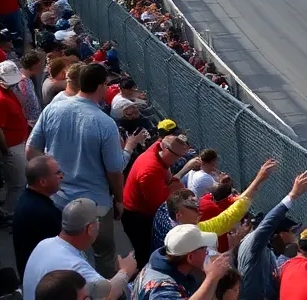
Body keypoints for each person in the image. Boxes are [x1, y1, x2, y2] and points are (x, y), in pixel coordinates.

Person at [28, 62, 148, 278]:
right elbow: (115, 169)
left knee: (67, 256)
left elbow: (32, 150)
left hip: (58, 201)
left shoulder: (53, 108)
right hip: (97, 205)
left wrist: (53, 179)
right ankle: (106, 293)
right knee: (105, 254)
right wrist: (119, 200)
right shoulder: (105, 123)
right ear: (101, 86)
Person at [21, 197, 138, 300]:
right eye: (97, 220)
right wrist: (126, 271)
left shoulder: (44, 244)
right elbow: (107, 296)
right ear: (90, 229)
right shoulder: (75, 267)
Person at [235, 170, 307, 300]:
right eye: (291, 231)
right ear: (280, 234)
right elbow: (269, 222)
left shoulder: (267, 250)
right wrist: (292, 195)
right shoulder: (253, 244)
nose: (293, 235)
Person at [122, 132, 192, 265]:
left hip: (138, 209)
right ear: (166, 149)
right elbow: (158, 204)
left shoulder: (156, 148)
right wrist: (175, 182)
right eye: (177, 157)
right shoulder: (150, 171)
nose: (179, 160)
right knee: (145, 255)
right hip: (138, 217)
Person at [132, 224, 232, 300]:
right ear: (190, 257)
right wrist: (212, 278)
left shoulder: (169, 265)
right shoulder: (161, 288)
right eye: (204, 248)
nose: (207, 251)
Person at [12, 154, 65, 279]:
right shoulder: (43, 213)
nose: (61, 176)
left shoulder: (28, 199)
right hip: (44, 279)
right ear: (43, 182)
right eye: (57, 173)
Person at [0, 59, 30, 212]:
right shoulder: (0, 99)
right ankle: (9, 213)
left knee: (16, 183)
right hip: (12, 147)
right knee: (18, 184)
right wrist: (6, 150)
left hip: (16, 143)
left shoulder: (3, 91)